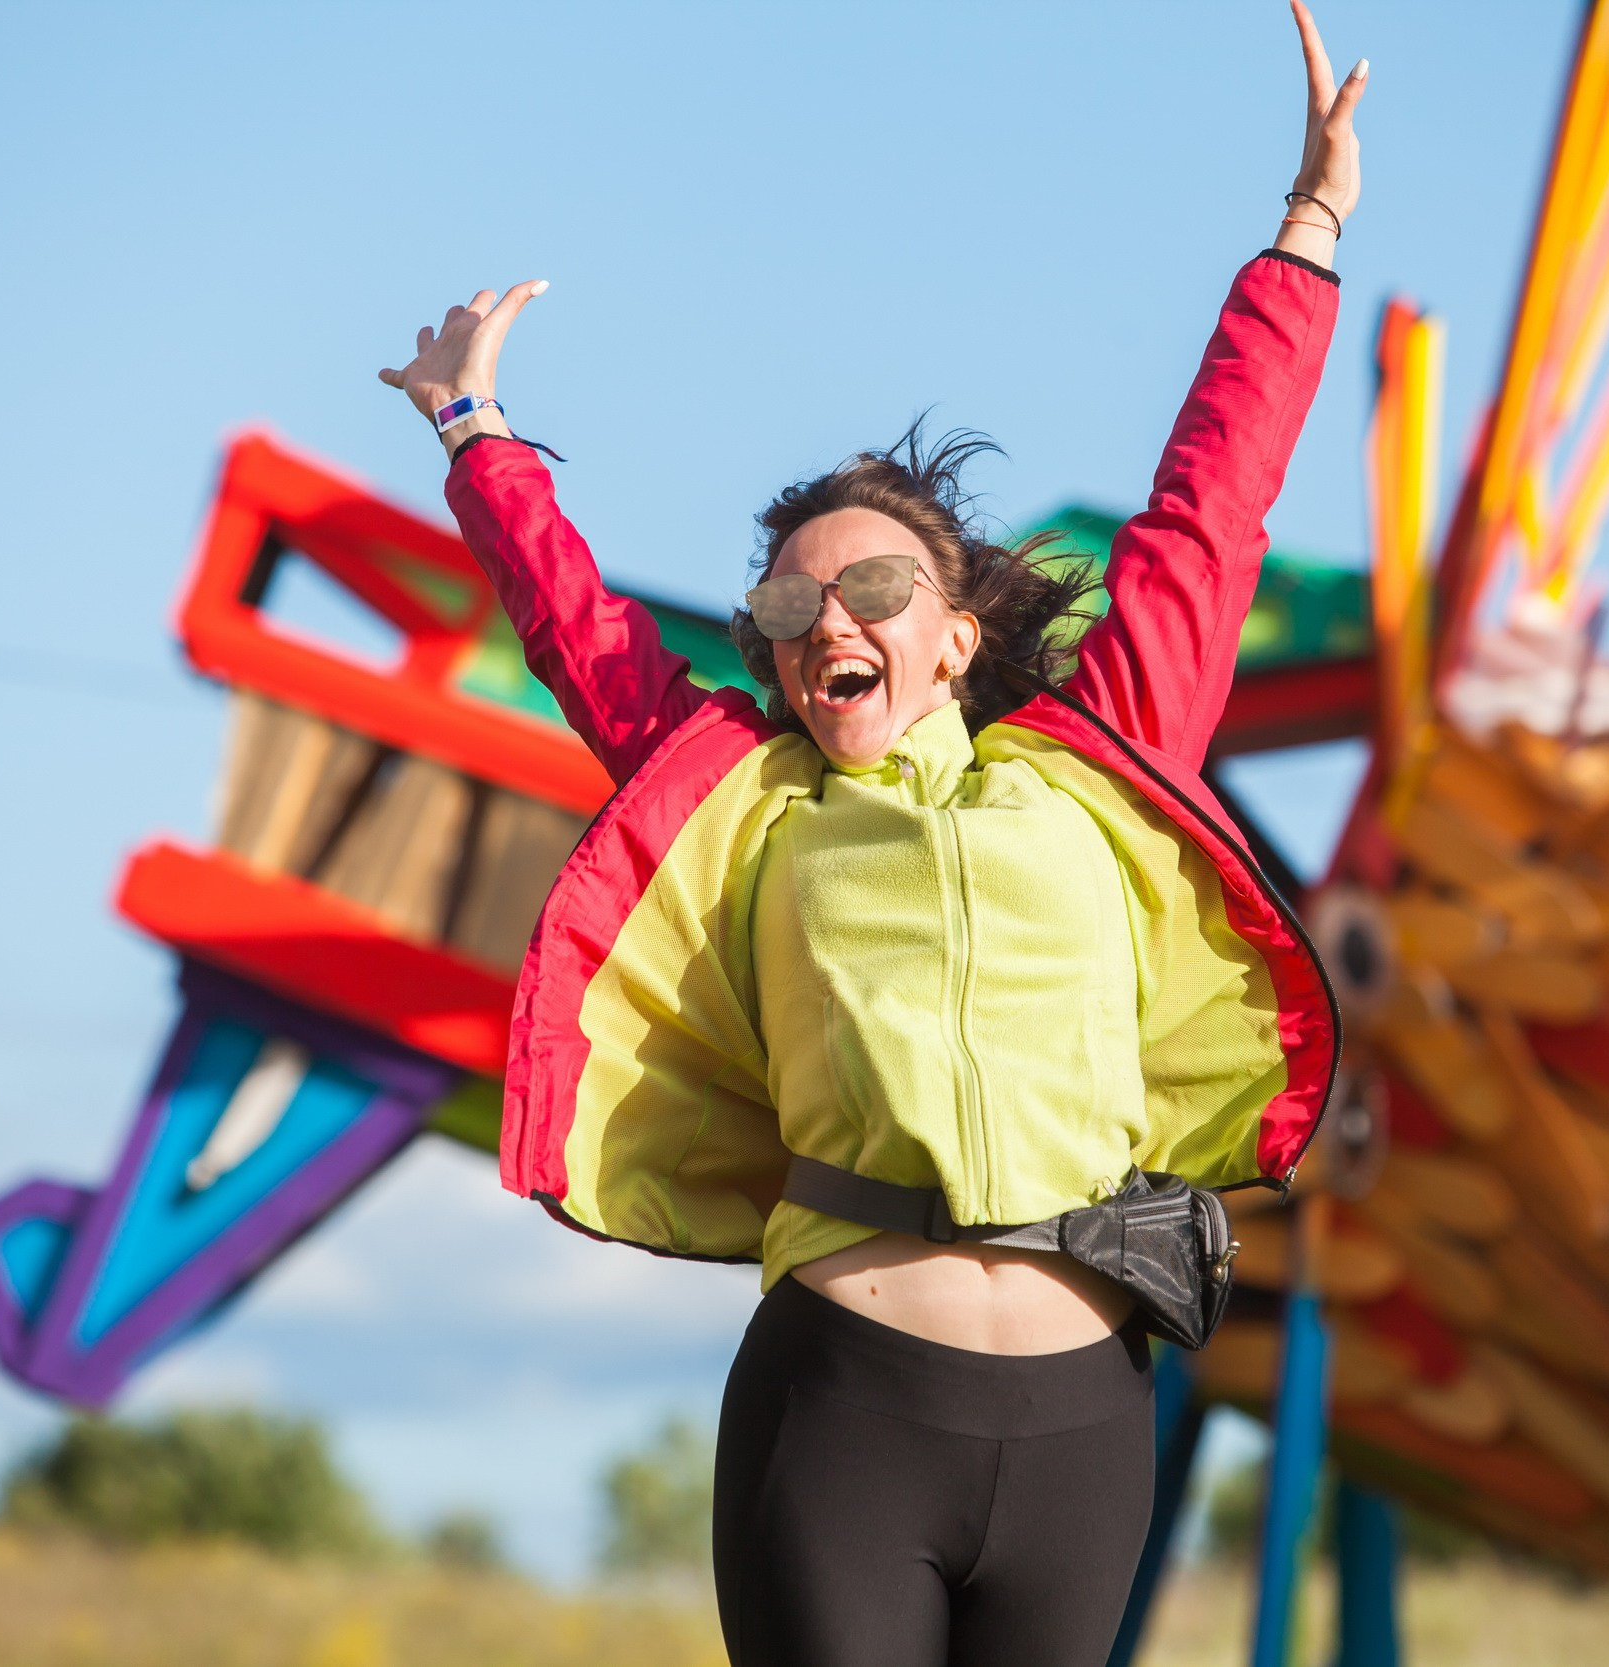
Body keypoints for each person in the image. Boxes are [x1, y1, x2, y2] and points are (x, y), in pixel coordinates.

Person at [380, 7, 1364, 1662]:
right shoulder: (750, 796)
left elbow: (1215, 502)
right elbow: (577, 629)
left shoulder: (1104, 754)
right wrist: (475, 432)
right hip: (845, 1409)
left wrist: (1309, 228)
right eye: (788, 606)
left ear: (958, 633)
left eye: (876, 587)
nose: (826, 619)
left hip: (1086, 1419)